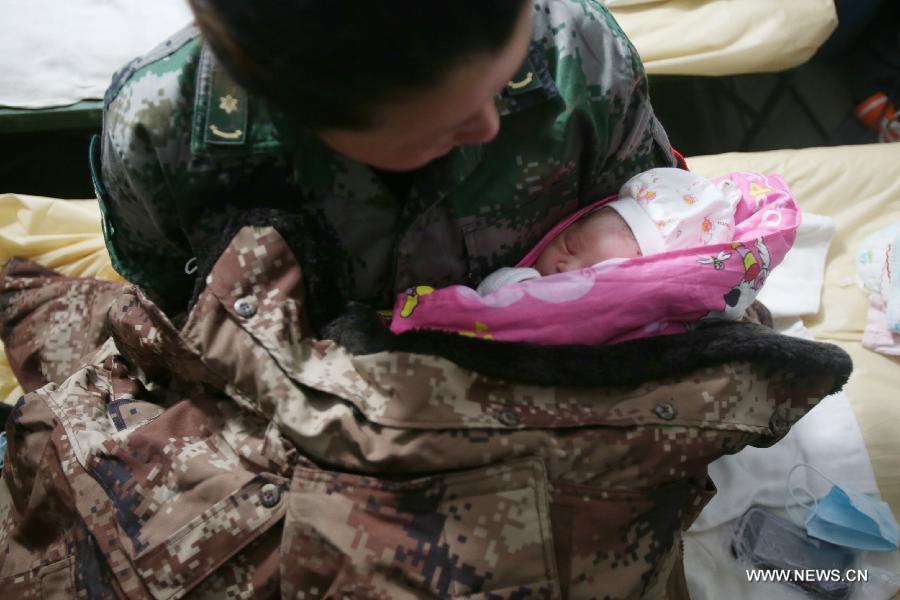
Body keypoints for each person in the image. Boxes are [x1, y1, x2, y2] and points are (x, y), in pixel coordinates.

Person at [92, 0, 678, 322]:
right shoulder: (160, 136)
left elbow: (668, 253)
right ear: (301, 112)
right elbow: (178, 323)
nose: (490, 128)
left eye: (502, 78)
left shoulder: (582, 55)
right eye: (444, 124)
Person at [476, 167, 740, 295]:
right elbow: (484, 298)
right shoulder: (523, 279)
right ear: (566, 226)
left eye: (590, 274)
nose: (566, 269)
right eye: (569, 246)